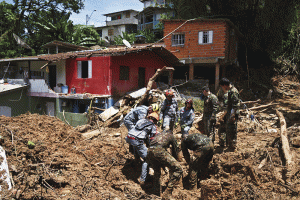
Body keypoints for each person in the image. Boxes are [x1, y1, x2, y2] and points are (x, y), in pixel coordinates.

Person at [146, 130, 183, 199]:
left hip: (149, 151)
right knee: (178, 169)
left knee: (157, 172)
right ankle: (167, 192)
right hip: (159, 150)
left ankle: (156, 192)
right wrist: (175, 161)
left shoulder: (159, 135)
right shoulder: (171, 136)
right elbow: (175, 150)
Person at [125, 112, 159, 185]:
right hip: (137, 140)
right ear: (155, 120)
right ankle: (142, 179)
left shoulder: (141, 120)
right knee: (147, 159)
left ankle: (136, 166)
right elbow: (152, 138)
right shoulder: (152, 126)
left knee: (137, 149)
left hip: (129, 137)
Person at [219, 77, 240, 151]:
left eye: (222, 86)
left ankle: (232, 147)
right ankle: (230, 146)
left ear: (225, 85)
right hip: (230, 113)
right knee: (229, 129)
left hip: (233, 114)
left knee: (232, 130)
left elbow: (236, 105)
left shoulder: (233, 91)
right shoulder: (230, 91)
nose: (222, 88)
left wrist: (232, 115)